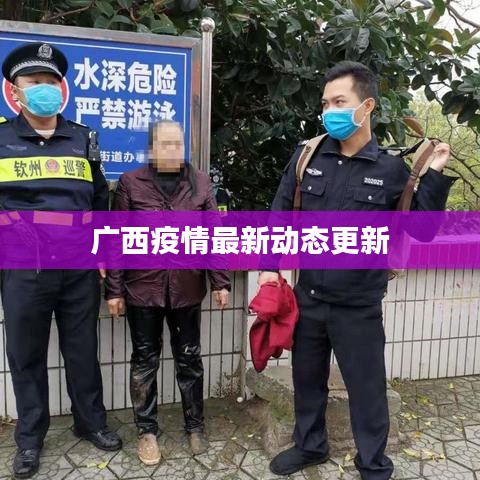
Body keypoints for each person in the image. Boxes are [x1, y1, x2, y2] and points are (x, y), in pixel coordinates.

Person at [259, 61, 455, 479]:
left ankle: (373, 463)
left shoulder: (391, 170)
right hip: (309, 297)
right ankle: (310, 446)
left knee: (367, 391)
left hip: (359, 305)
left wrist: (435, 172)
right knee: (307, 381)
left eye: (339, 102)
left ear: (366, 107)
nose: (329, 111)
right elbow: (280, 213)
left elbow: (422, 231)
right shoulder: (308, 157)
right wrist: (268, 266)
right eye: (325, 103)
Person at [0, 42, 122, 479]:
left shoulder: (83, 138)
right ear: (15, 91)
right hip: (23, 267)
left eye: (51, 81)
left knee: (83, 349)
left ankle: (90, 423)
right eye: (35, 81)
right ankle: (30, 439)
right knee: (26, 354)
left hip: (77, 266)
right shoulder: (1, 139)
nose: (45, 88)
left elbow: (99, 199)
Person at [105, 120, 231, 465]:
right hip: (142, 288)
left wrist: (220, 282)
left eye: (178, 144)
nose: (173, 150)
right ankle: (146, 432)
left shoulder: (200, 182)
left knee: (189, 358)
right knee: (145, 361)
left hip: (187, 287)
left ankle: (195, 426)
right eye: (165, 144)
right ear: (151, 149)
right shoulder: (131, 183)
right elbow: (115, 240)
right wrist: (113, 290)